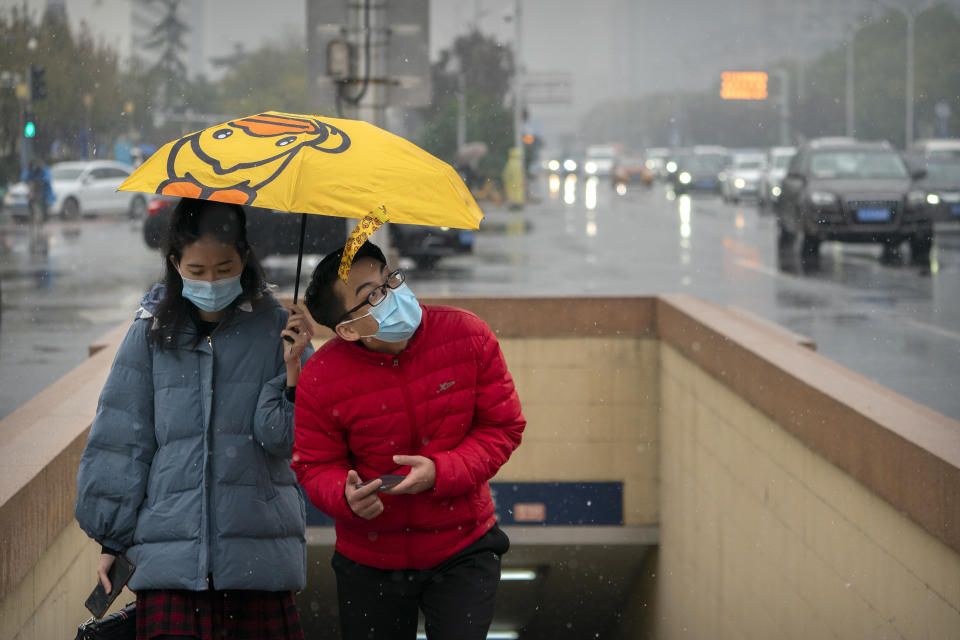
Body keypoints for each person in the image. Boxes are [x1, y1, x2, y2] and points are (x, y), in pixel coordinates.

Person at [75, 198, 314, 640]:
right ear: (174, 263)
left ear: (244, 258)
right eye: (198, 271)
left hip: (258, 559)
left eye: (224, 268)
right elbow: (124, 439)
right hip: (171, 561)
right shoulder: (150, 333)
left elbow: (288, 441)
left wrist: (294, 370)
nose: (211, 281)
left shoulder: (280, 330)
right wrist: (112, 539)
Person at [292, 240, 525, 640]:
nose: (393, 294)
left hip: (464, 546)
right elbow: (314, 465)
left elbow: (502, 427)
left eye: (389, 279)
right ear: (348, 329)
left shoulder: (467, 333)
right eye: (374, 295)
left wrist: (441, 471)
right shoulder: (322, 376)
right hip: (369, 559)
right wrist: (344, 496)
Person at [21, 157, 53, 222]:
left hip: (42, 190)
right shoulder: (30, 170)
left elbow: (47, 178)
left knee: (43, 202)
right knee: (31, 200)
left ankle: (44, 216)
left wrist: (42, 181)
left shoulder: (44, 169)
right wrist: (28, 181)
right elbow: (24, 177)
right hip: (33, 189)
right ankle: (32, 213)